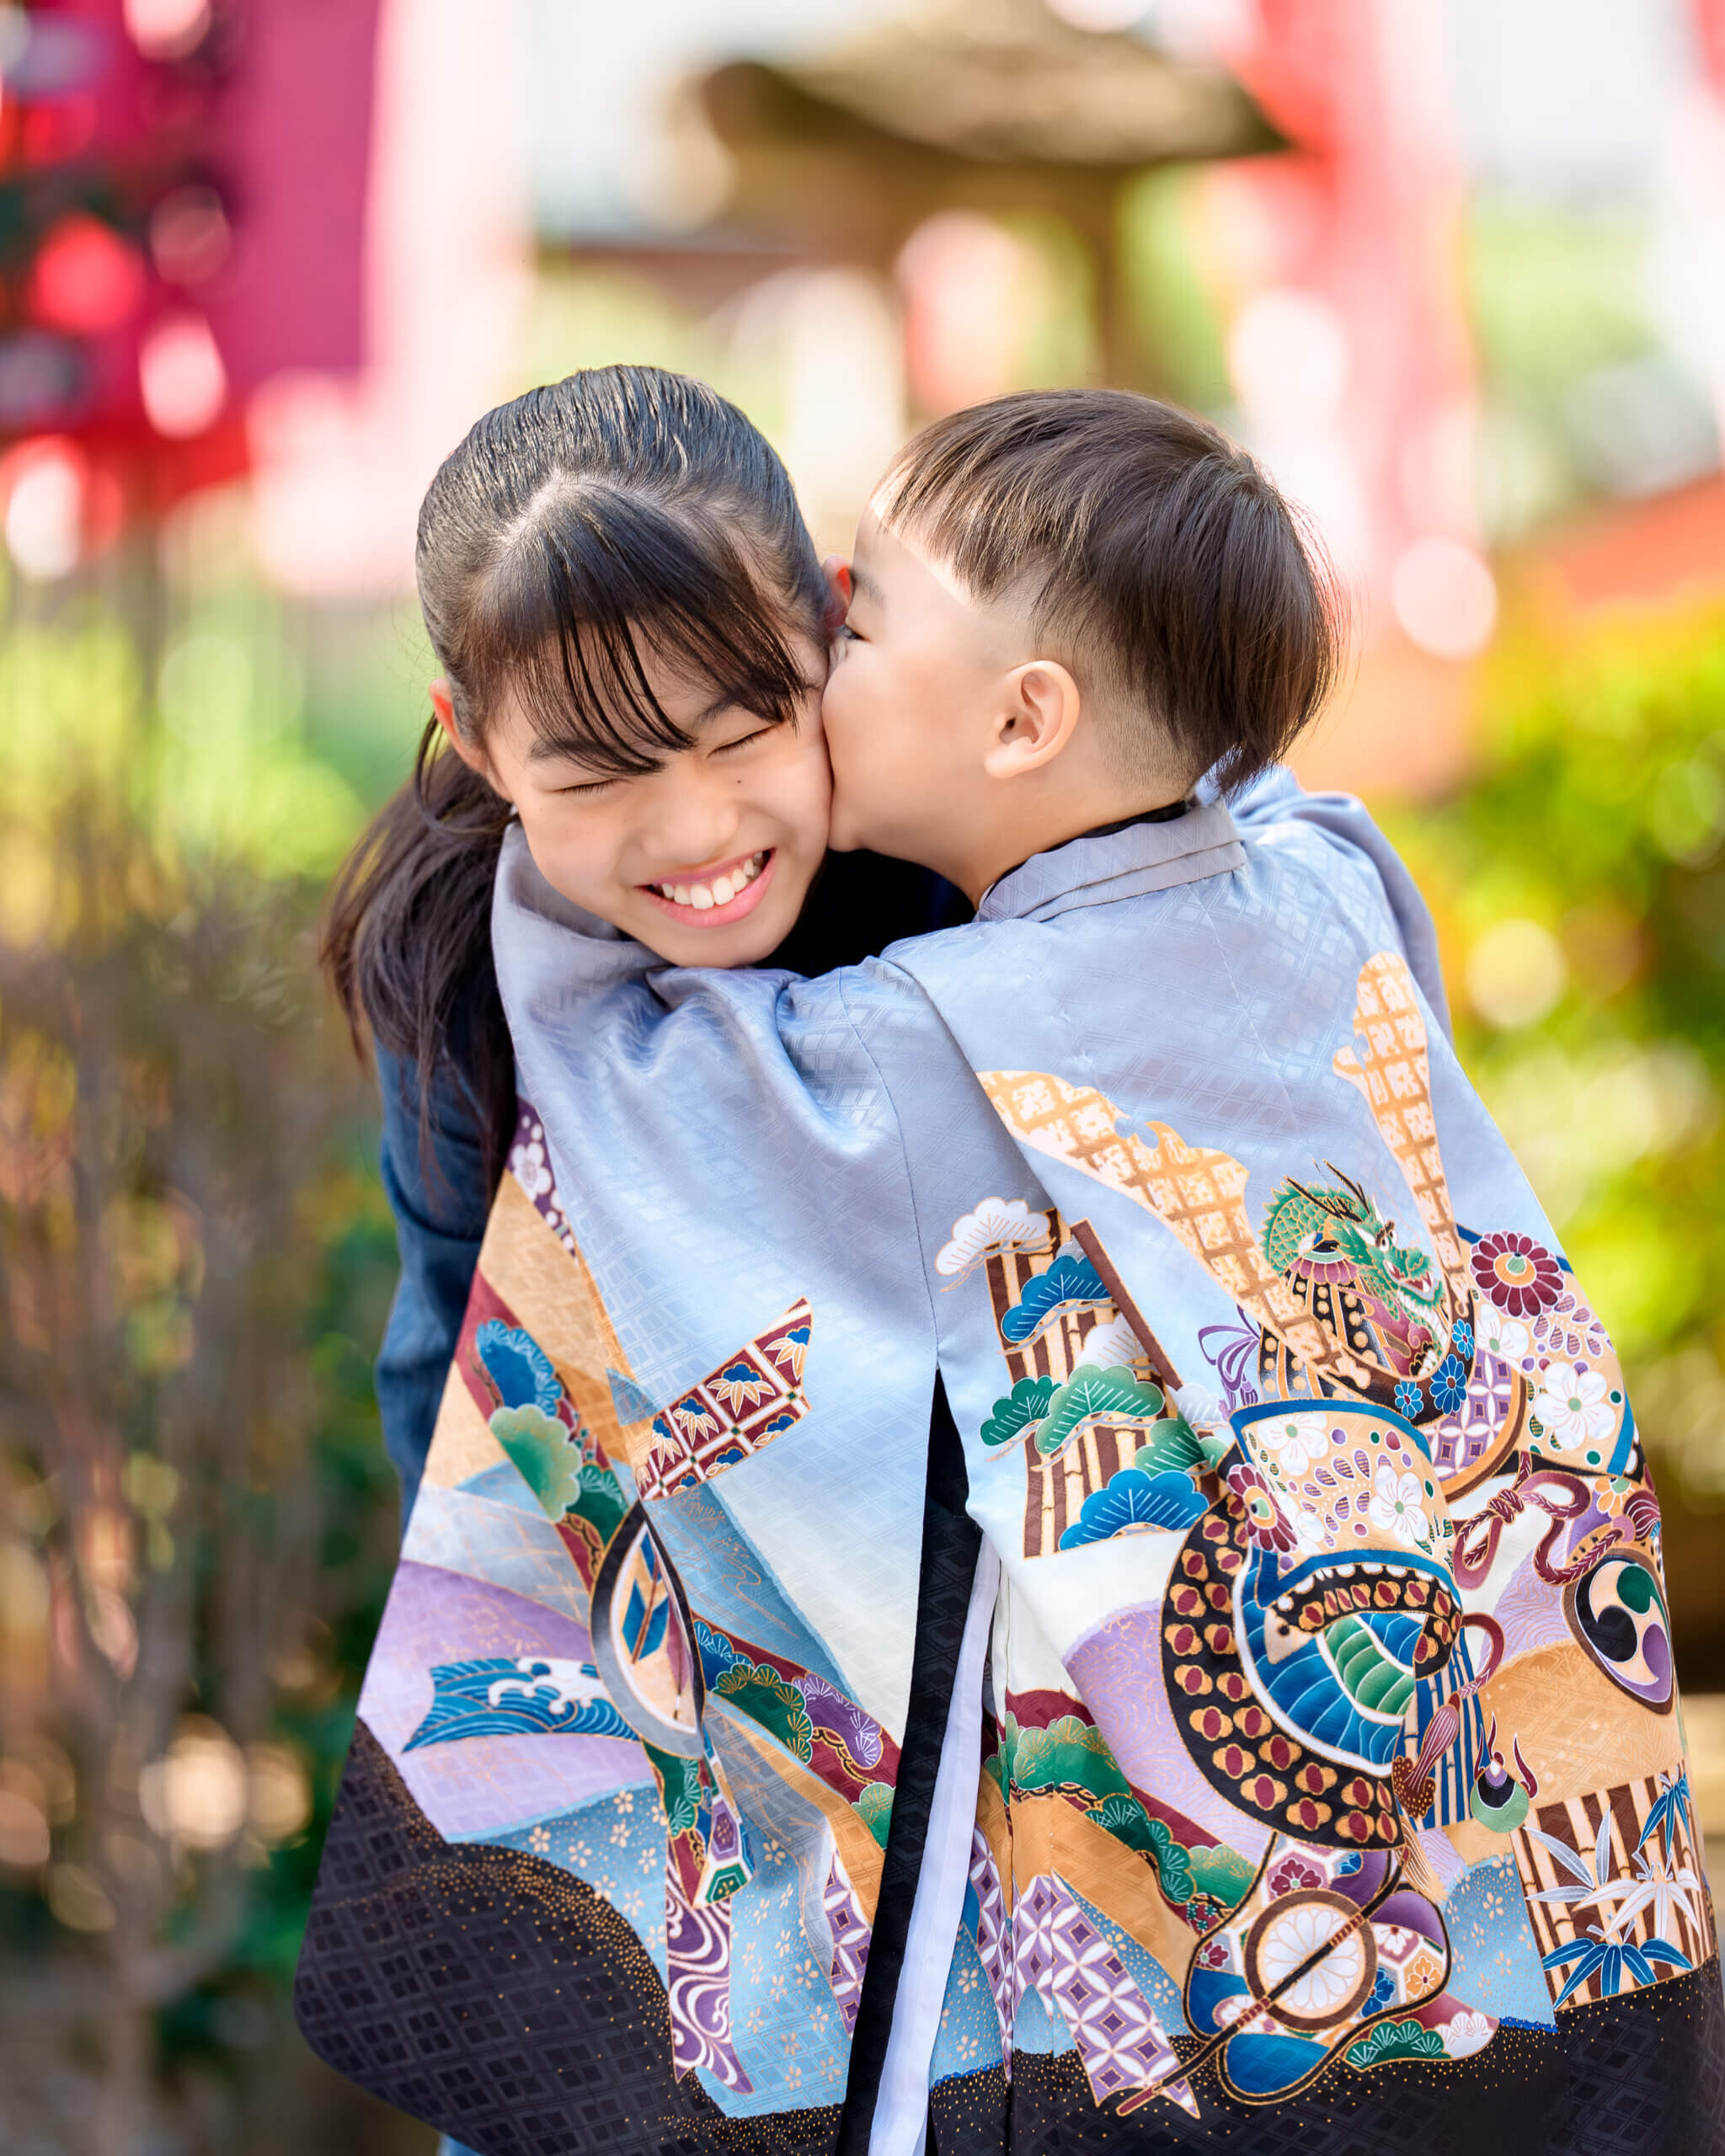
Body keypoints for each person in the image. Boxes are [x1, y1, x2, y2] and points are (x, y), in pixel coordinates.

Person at [479, 388, 1722, 2148]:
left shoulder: (922, 1036)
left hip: (1203, 1730)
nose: (824, 654)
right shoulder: (1331, 871)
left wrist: (537, 842)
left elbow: (627, 1098)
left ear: (1023, 718)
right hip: (1474, 1598)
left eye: (863, 617)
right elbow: (1232, 773)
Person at [307, 366, 976, 2156]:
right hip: (657, 1684)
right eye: (599, 773)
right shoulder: (458, 970)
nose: (697, 832)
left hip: (981, 1653)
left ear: (829, 629)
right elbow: (450, 1365)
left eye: (743, 730)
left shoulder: (955, 875)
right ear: (469, 737)